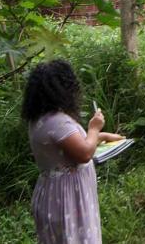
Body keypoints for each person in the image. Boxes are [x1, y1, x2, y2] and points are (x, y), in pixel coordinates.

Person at [22, 60, 123, 244]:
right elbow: (84, 153)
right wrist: (94, 128)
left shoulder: (39, 120)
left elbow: (72, 145)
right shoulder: (58, 121)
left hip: (54, 194)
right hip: (67, 198)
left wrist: (102, 136)